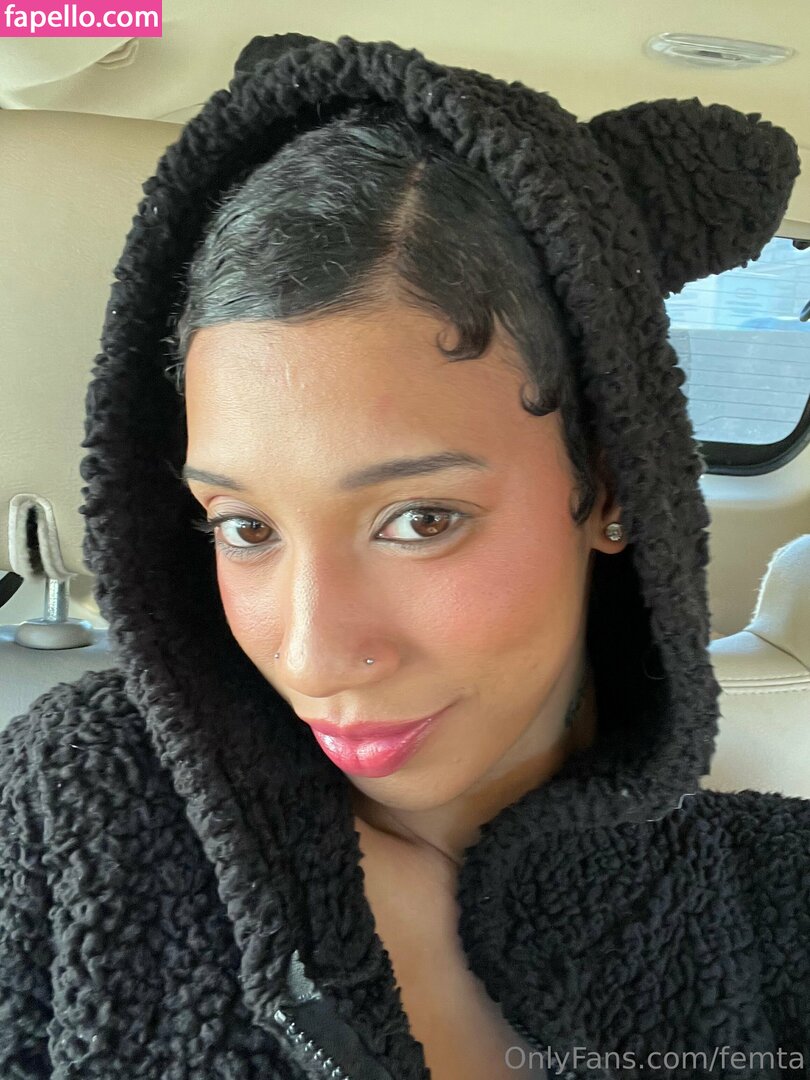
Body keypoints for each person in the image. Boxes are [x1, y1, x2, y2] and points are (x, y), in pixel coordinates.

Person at [1, 32, 808, 1080]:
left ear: (610, 486)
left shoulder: (773, 901)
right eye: (245, 527)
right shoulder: (75, 812)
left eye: (419, 519)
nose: (312, 653)